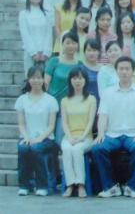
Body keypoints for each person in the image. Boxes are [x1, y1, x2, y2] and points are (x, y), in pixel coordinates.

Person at [93, 56, 135, 198]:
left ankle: (132, 187)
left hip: (133, 134)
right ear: (116, 71)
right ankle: (110, 187)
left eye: (127, 69)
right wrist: (101, 133)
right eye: (121, 69)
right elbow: (103, 115)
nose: (124, 72)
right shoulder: (108, 93)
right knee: (97, 148)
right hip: (112, 134)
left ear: (133, 71)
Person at [15, 66, 59, 197]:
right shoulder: (22, 100)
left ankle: (42, 186)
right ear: (28, 80)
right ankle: (24, 185)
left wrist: (39, 139)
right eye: (33, 78)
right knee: (23, 148)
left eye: (39, 77)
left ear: (43, 80)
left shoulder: (50, 100)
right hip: (27, 137)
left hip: (46, 138)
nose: (36, 81)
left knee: (36, 148)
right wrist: (26, 137)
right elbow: (21, 124)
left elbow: (51, 126)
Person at [59, 67, 95, 197]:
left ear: (85, 80)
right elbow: (64, 122)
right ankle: (70, 185)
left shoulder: (91, 99)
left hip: (86, 137)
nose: (77, 81)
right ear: (70, 80)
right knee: (67, 149)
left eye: (80, 78)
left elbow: (90, 122)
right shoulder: (64, 100)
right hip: (69, 136)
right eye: (74, 78)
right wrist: (69, 137)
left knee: (77, 149)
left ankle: (80, 185)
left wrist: (81, 137)